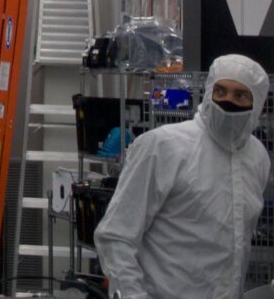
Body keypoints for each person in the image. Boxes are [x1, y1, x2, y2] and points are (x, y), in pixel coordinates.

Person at [94, 54, 270, 298]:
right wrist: (133, 295)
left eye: (240, 95)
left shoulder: (257, 157)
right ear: (208, 92)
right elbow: (116, 235)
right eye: (221, 91)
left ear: (257, 104)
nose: (228, 101)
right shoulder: (163, 146)